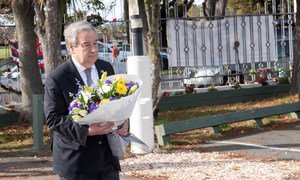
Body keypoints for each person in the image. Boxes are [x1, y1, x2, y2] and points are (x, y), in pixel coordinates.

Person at [43, 20, 129, 180]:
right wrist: (87, 131)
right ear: (71, 47)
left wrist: (123, 121)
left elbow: (117, 101)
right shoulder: (57, 79)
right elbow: (53, 119)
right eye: (86, 45)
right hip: (76, 161)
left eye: (96, 43)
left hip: (107, 156)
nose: (94, 50)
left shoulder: (106, 68)